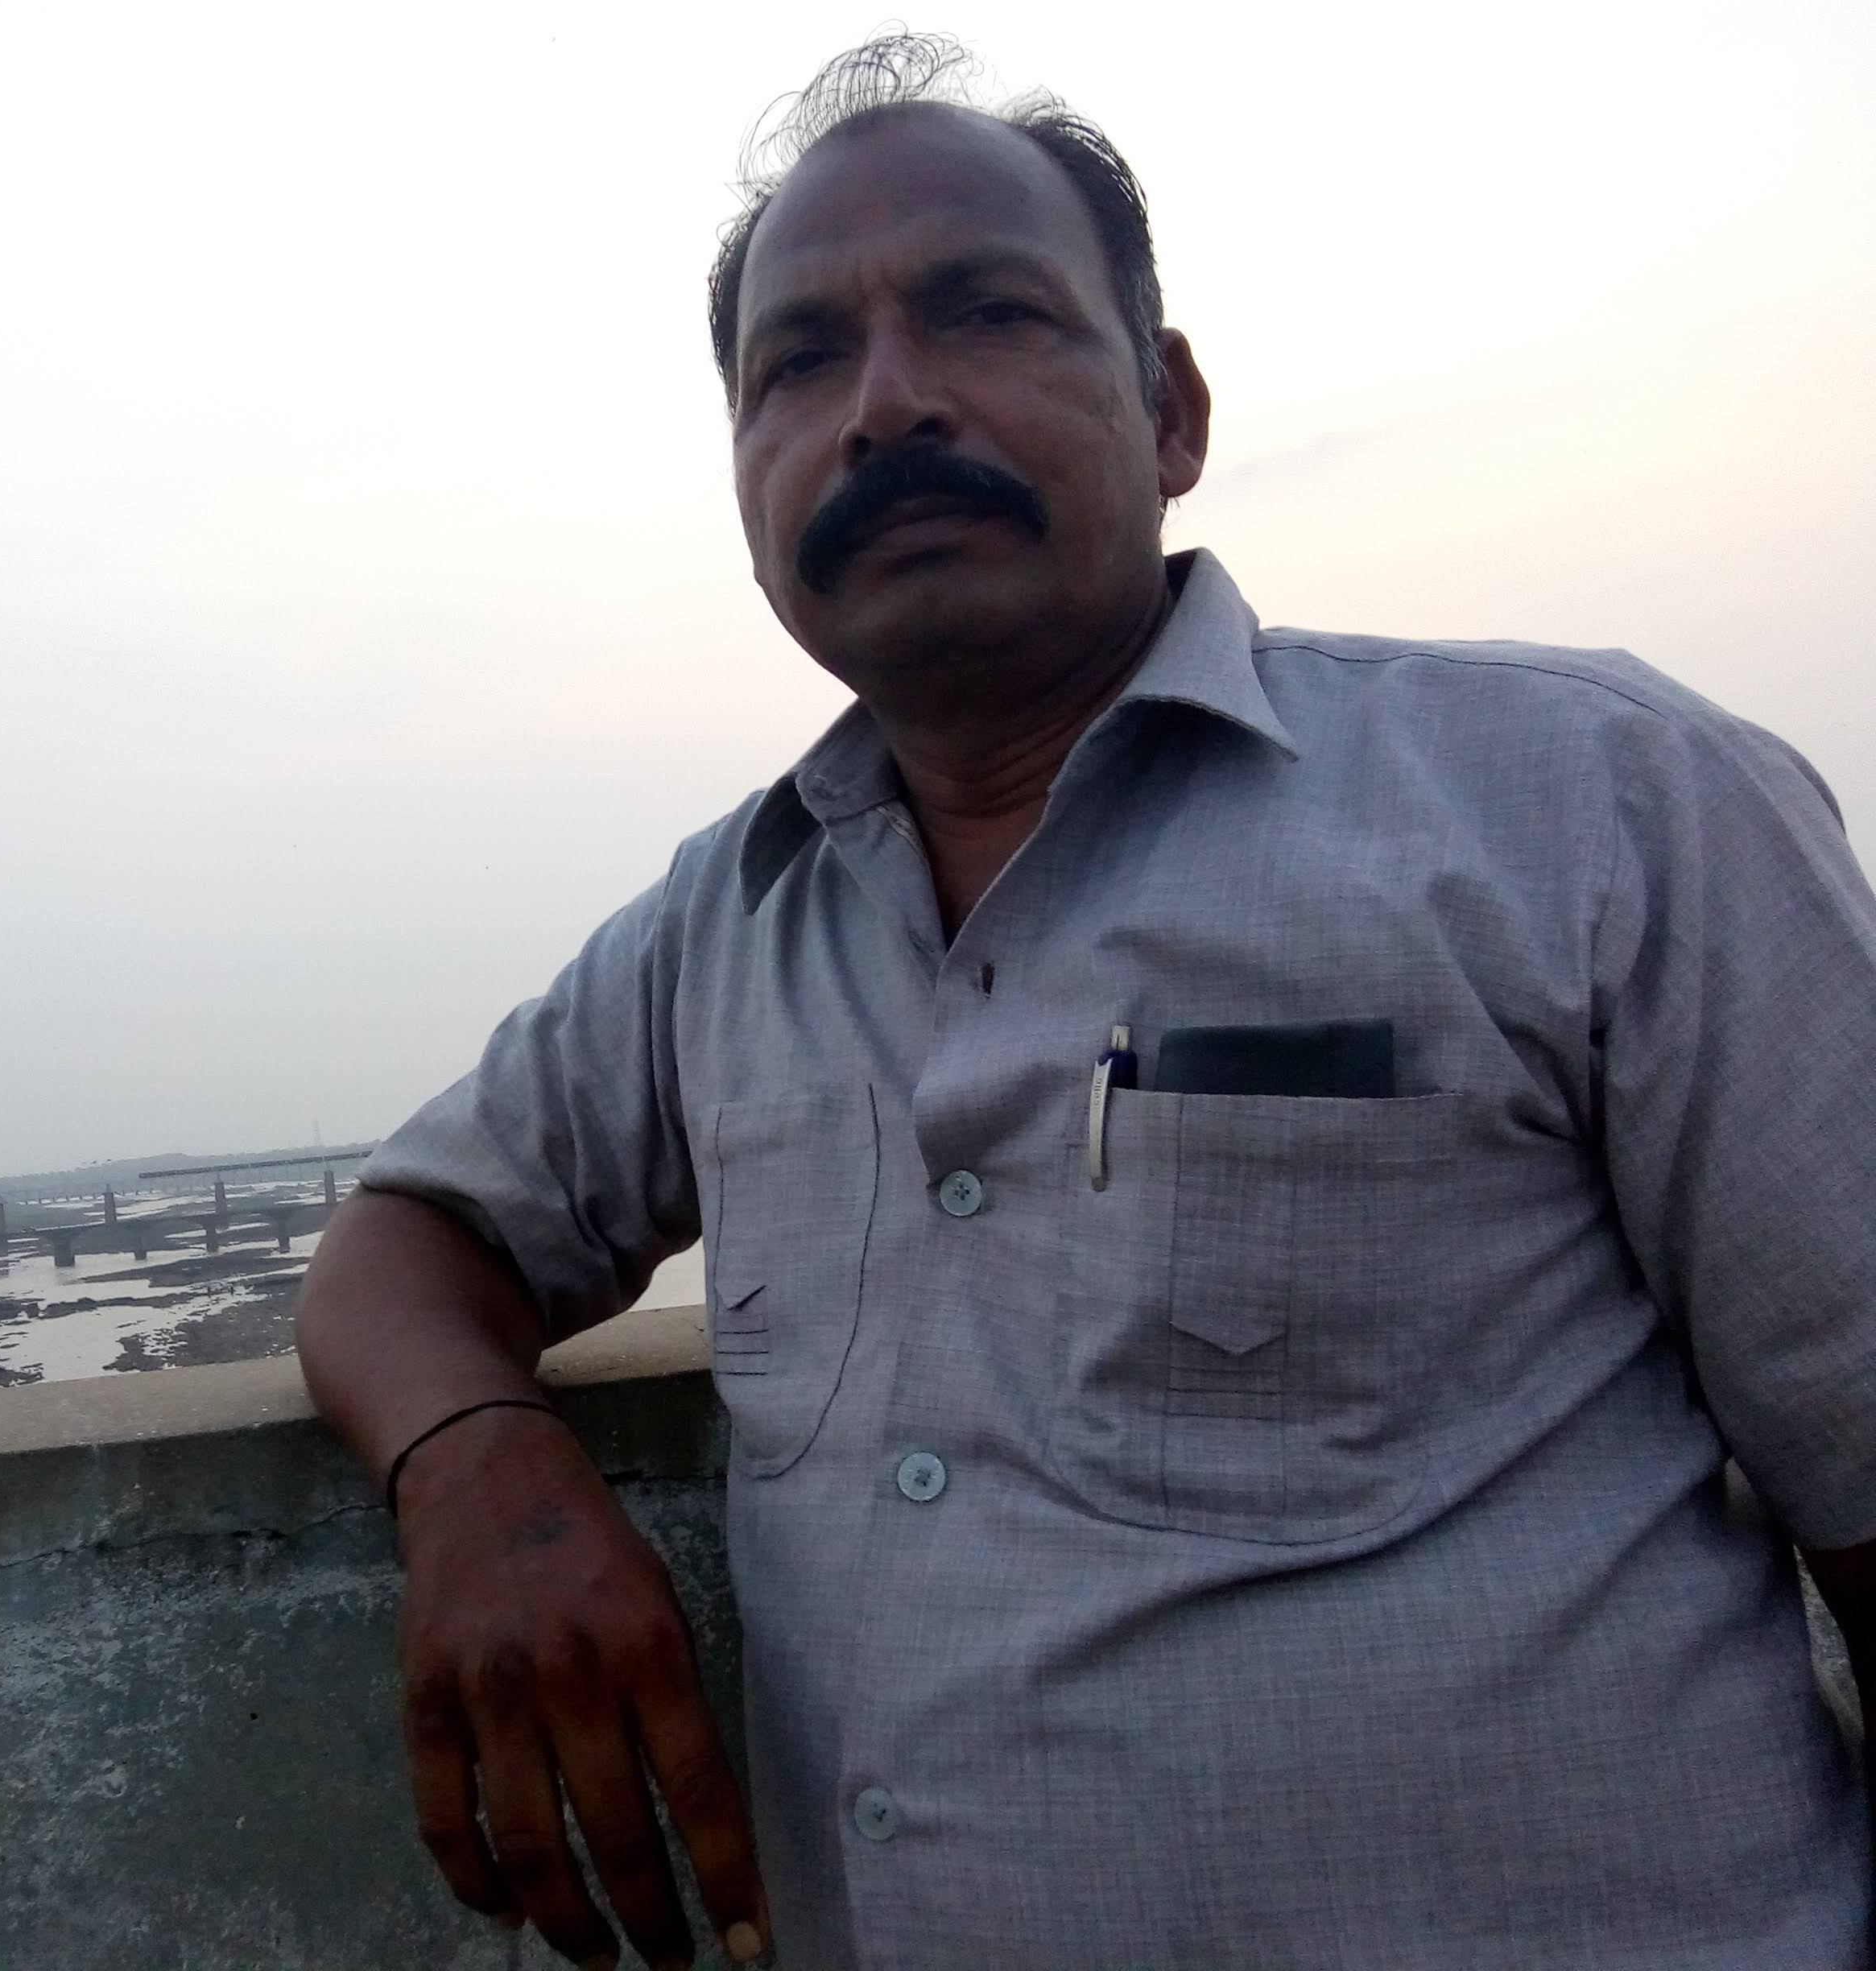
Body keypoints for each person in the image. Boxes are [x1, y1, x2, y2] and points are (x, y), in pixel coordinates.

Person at [296, 32, 1876, 1970]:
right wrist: (484, 1477)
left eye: (988, 312)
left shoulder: (1595, 807)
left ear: (1172, 409)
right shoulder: (725, 924)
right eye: (799, 362)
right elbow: (409, 1236)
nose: (887, 402)